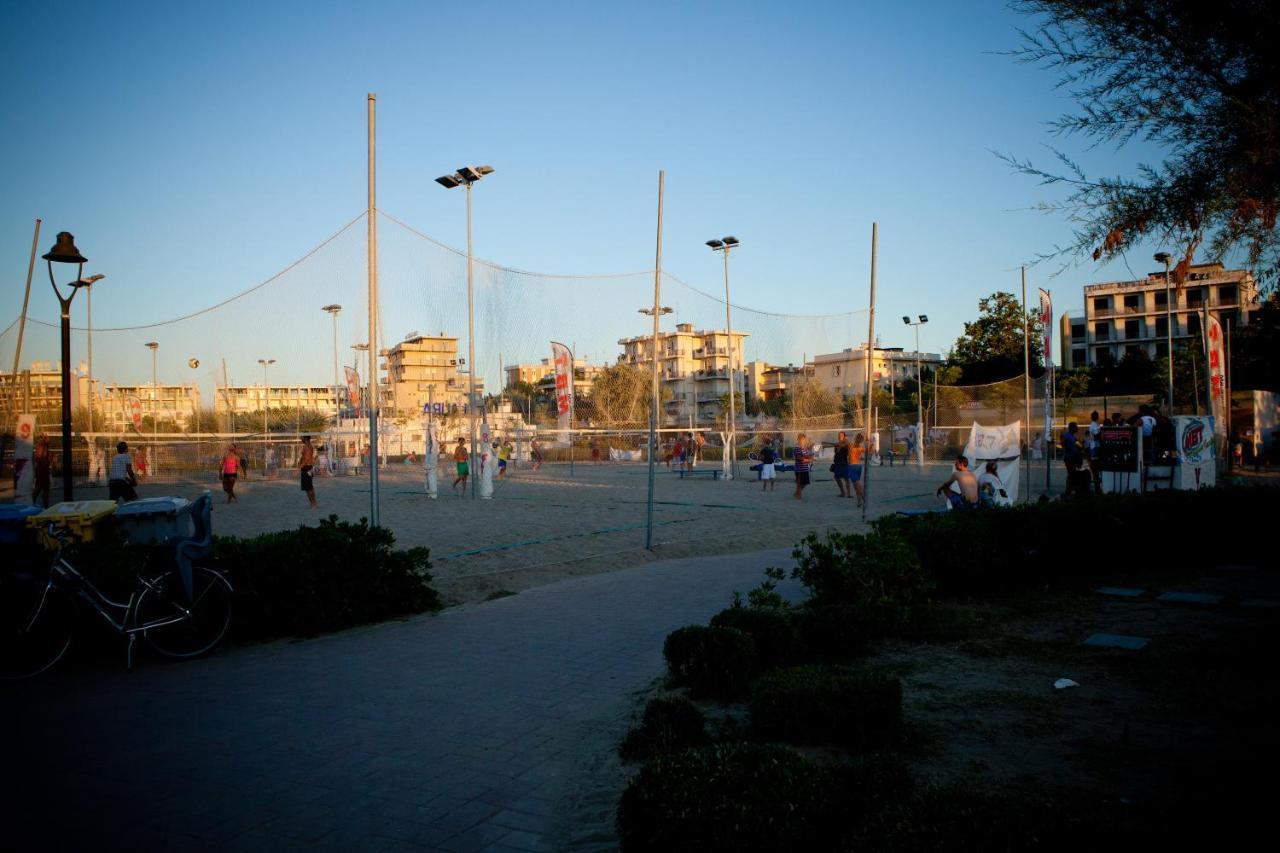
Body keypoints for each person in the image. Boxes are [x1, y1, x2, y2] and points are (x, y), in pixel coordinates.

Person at [792, 433, 813, 500]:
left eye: (804, 439)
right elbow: (799, 458)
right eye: (801, 439)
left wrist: (809, 458)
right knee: (799, 483)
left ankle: (797, 493)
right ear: (798, 439)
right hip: (799, 470)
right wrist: (808, 460)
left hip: (805, 469)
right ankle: (798, 496)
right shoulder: (797, 448)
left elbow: (809, 456)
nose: (803, 441)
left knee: (805, 483)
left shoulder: (805, 448)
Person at [32, 436, 51, 508]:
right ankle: (33, 503)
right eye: (48, 438)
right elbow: (40, 458)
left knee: (43, 489)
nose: (49, 440)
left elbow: (40, 458)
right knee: (40, 488)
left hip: (42, 471)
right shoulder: (42, 447)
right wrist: (47, 464)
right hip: (42, 471)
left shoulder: (44, 447)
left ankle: (46, 506)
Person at [832, 431, 852, 498]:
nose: (839, 437)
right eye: (839, 435)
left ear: (844, 436)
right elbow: (836, 452)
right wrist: (840, 445)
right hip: (837, 463)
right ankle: (843, 492)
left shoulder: (847, 444)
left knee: (846, 478)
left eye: (841, 435)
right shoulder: (837, 444)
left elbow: (849, 446)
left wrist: (844, 443)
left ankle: (848, 494)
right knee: (837, 478)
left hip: (844, 462)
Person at [299, 435, 318, 508]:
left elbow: (306, 459)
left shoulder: (307, 447)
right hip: (308, 467)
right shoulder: (309, 446)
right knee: (309, 487)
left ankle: (313, 503)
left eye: (302, 437)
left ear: (306, 438)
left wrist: (299, 468)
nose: (301, 438)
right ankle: (313, 503)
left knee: (308, 487)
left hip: (306, 467)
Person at [850, 433, 866, 507]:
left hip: (853, 466)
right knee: (856, 485)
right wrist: (871, 444)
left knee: (857, 486)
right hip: (859, 466)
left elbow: (849, 456)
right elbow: (870, 451)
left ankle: (864, 499)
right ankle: (859, 501)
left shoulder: (851, 446)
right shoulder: (860, 447)